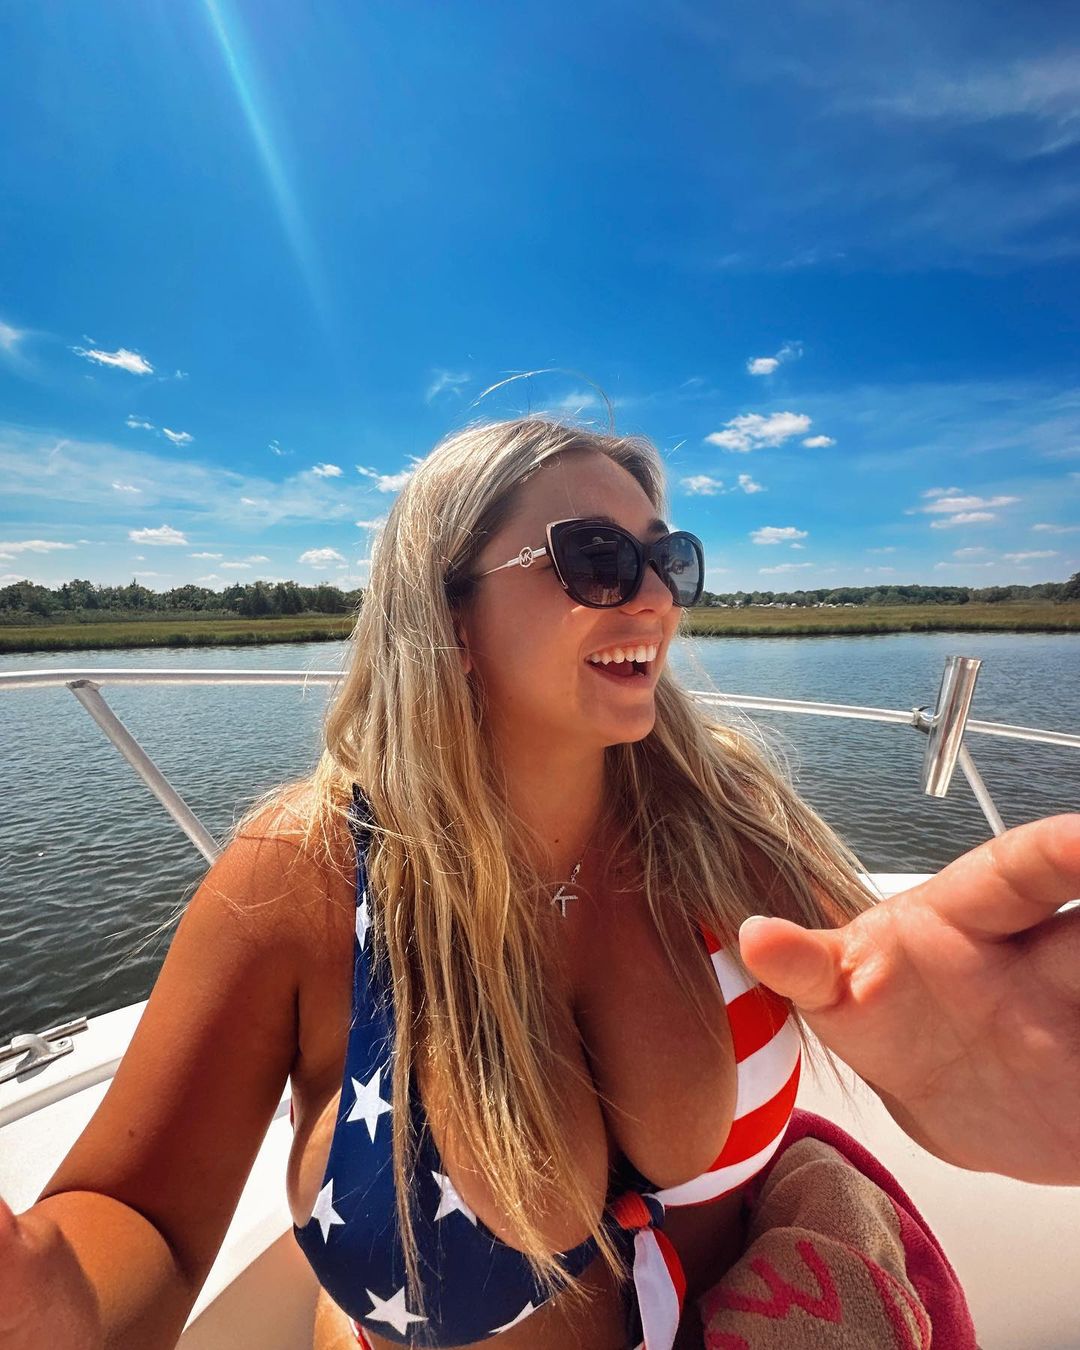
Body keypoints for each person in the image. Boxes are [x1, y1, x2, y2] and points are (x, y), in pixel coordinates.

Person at [3, 417, 1078, 1350]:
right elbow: (141, 1218)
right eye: (597, 558)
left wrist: (954, 1076)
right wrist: (44, 1299)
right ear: (449, 613)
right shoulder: (309, 872)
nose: (654, 598)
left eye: (671, 561)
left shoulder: (728, 821)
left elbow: (908, 1003)